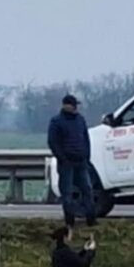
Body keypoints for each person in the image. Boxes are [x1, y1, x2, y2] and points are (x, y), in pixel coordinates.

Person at [47, 94, 94, 227]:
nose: (76, 108)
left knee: (87, 190)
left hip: (81, 162)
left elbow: (86, 140)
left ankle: (91, 218)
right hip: (66, 163)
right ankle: (70, 220)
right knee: (67, 193)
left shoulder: (80, 120)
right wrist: (63, 159)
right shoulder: (56, 121)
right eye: (74, 105)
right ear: (69, 105)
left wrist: (86, 157)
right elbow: (53, 142)